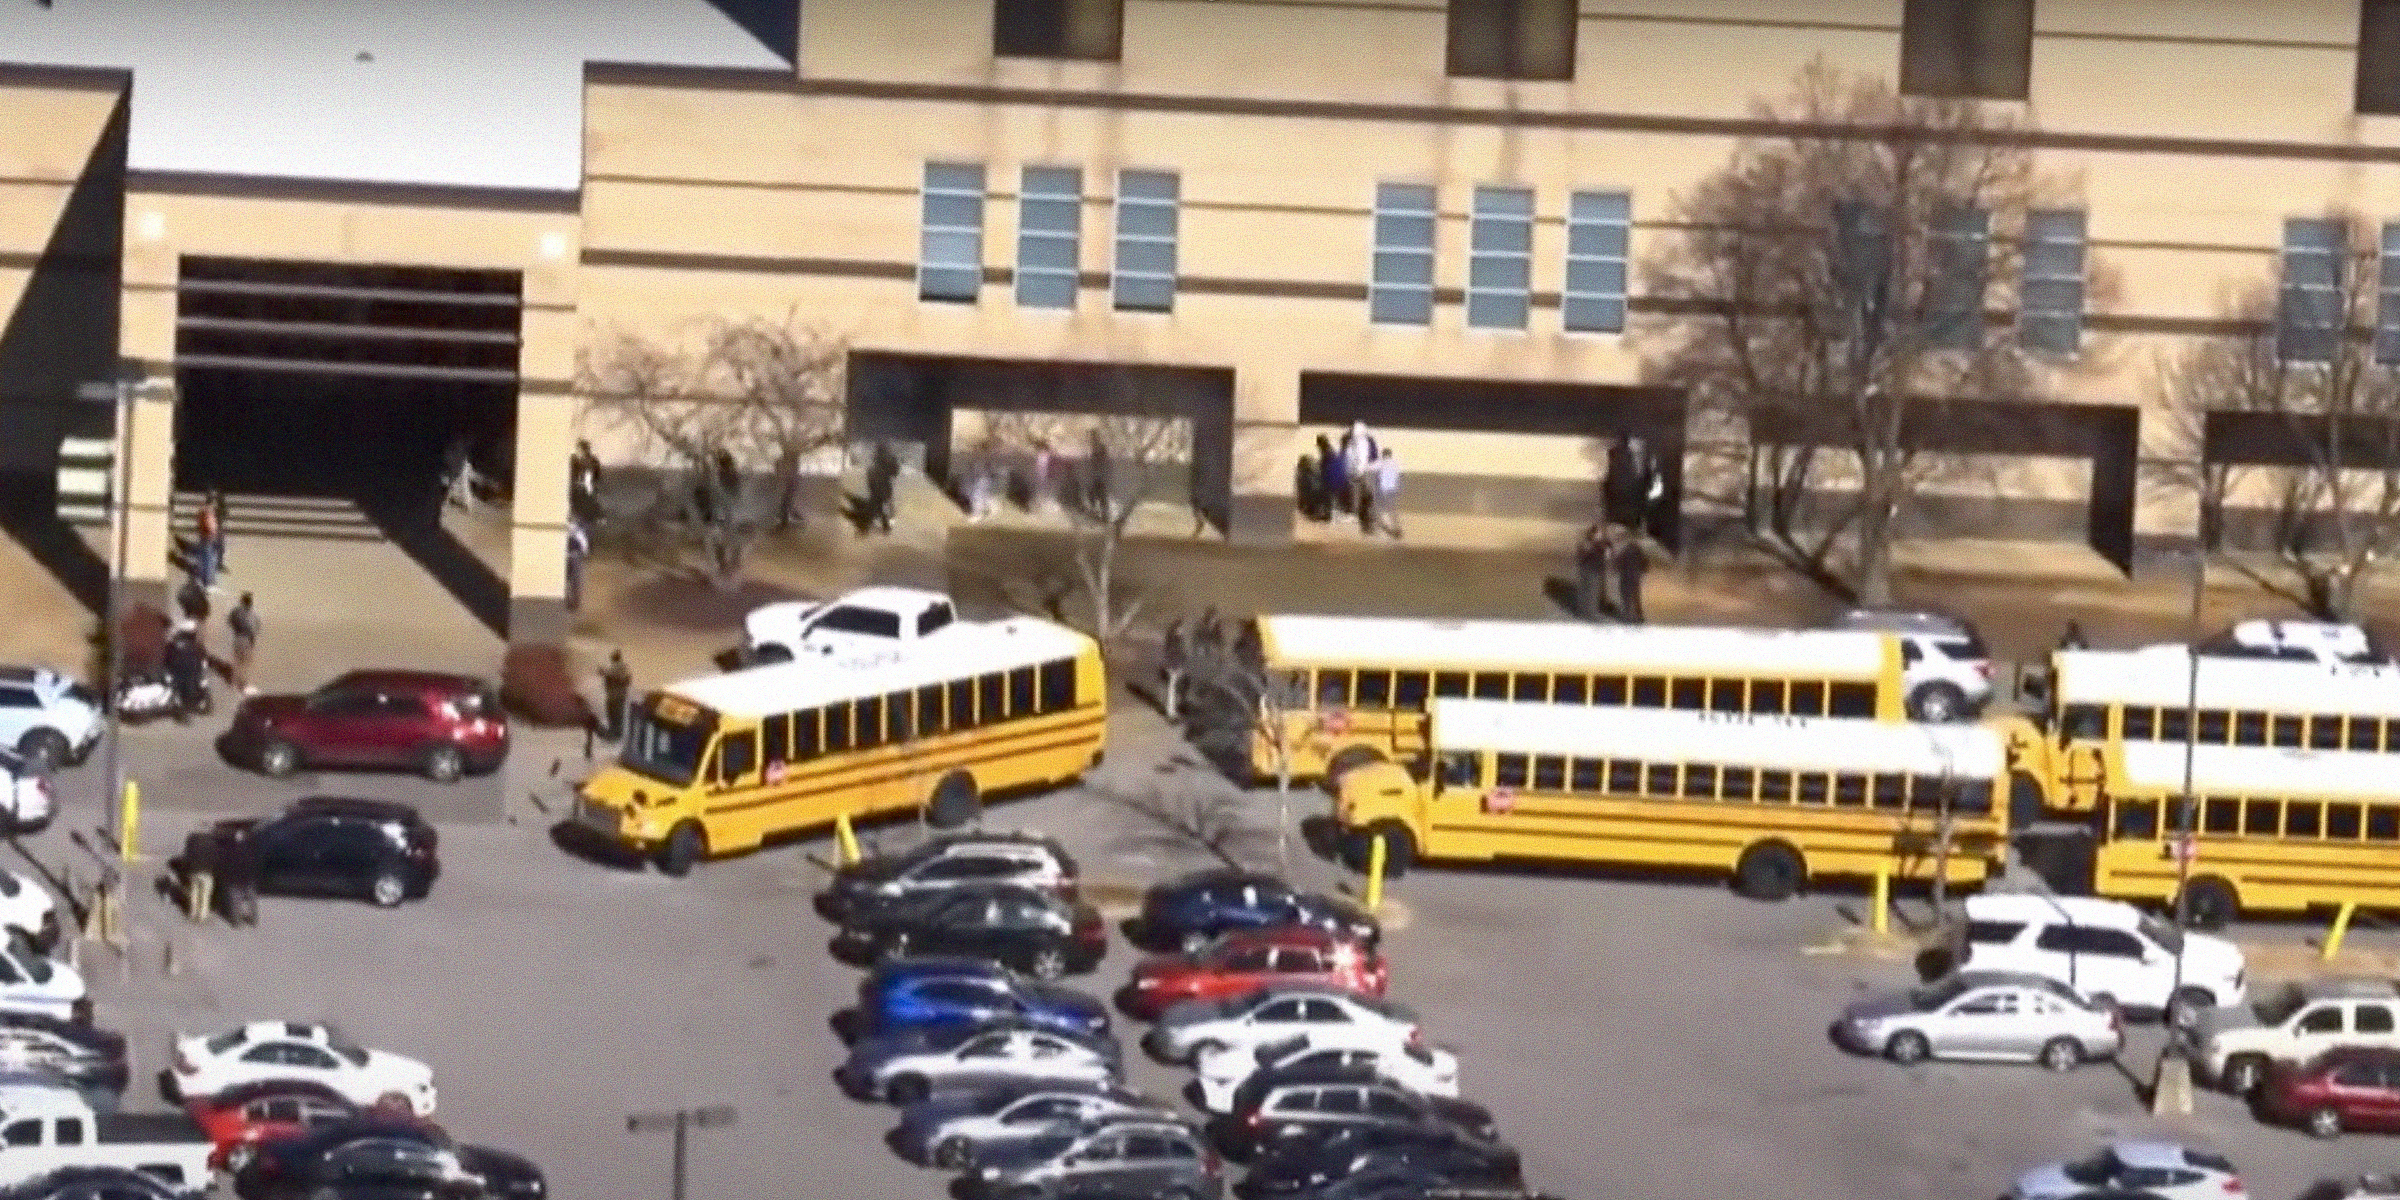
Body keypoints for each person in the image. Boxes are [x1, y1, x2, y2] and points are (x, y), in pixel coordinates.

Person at [1614, 525, 1651, 624]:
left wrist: (1616, 567)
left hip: (1627, 576)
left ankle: (1629, 616)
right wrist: (1643, 572)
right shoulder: (1638, 549)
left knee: (1627, 596)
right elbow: (1645, 563)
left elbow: (1618, 561)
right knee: (1635, 596)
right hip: (1635, 576)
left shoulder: (1627, 549)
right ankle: (1638, 617)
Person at [180, 828, 218, 924]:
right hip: (206, 872)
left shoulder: (192, 844)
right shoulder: (212, 844)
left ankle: (193, 913)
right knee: (205, 894)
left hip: (194, 872)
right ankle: (202, 915)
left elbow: (186, 858)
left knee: (194, 892)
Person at [227, 592, 259, 696]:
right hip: (247, 639)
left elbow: (230, 621)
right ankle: (243, 686)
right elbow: (255, 628)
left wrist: (236, 629)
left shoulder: (235, 611)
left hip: (237, 638)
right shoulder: (251, 614)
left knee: (237, 662)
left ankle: (233, 683)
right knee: (245, 664)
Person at [865, 443, 899, 534]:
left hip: (877, 484)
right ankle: (885, 525)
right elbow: (895, 472)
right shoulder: (890, 459)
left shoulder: (876, 458)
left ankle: (875, 523)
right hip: (885, 484)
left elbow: (870, 471)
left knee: (877, 503)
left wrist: (871, 483)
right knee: (884, 503)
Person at [599, 651, 633, 743]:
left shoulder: (616, 667)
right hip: (620, 695)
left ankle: (614, 735)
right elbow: (628, 681)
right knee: (618, 715)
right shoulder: (625, 668)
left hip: (613, 695)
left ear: (614, 658)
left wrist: (603, 672)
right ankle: (617, 734)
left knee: (613, 715)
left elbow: (607, 673)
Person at [1369, 449, 1402, 539]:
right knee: (1392, 510)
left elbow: (1370, 467)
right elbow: (1398, 477)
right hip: (1392, 490)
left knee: (1376, 509)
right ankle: (1397, 528)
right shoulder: (1395, 463)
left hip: (1383, 490)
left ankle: (1380, 528)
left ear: (1383, 455)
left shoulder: (1381, 462)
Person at [1159, 619, 1189, 720]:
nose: (1182, 630)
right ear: (1177, 628)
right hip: (1174, 666)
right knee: (1172, 689)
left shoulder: (1177, 638)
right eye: (1181, 628)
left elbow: (1181, 653)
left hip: (1176, 666)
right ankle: (1171, 712)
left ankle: (1172, 710)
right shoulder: (1174, 639)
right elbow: (1172, 654)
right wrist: (1175, 667)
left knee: (1174, 689)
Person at [192, 493, 221, 588]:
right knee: (207, 559)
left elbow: (207, 525)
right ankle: (206, 580)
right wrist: (212, 534)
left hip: (206, 537)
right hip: (207, 538)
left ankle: (205, 579)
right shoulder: (207, 512)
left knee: (207, 558)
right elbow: (209, 526)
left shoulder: (205, 512)